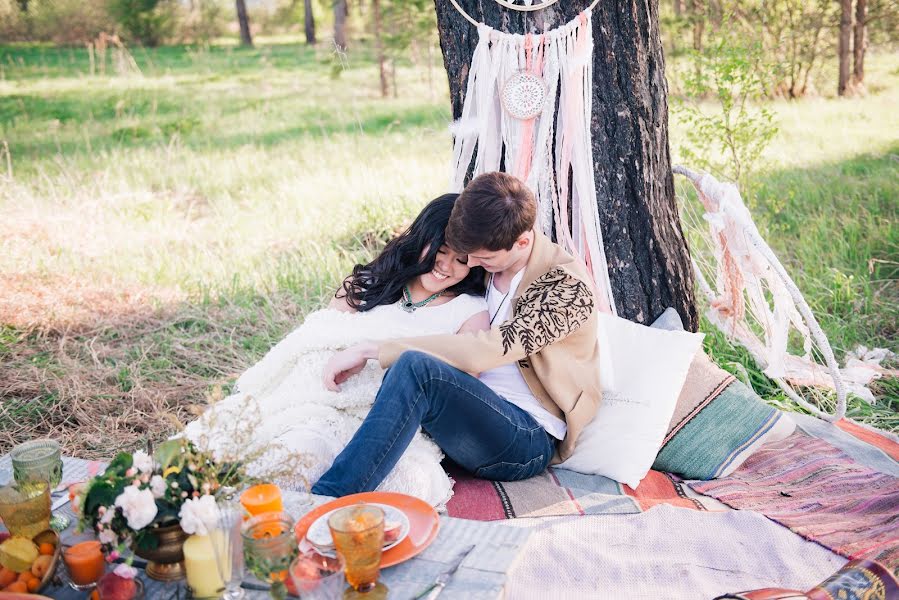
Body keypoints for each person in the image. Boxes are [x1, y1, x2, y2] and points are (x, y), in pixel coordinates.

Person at [183, 194, 489, 506]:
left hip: (392, 425)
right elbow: (318, 339)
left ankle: (297, 523)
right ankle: (209, 507)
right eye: (440, 250)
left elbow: (465, 374)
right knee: (298, 454)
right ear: (422, 237)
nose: (447, 265)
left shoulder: (468, 309)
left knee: (401, 485)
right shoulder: (371, 282)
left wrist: (377, 354)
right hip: (325, 404)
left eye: (462, 260)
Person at [313, 171, 602, 498]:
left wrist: (372, 349)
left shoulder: (566, 288)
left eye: (482, 258)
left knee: (414, 368)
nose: (473, 264)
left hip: (524, 438)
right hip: (466, 410)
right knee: (403, 375)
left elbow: (489, 349)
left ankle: (326, 501)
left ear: (523, 241)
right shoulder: (490, 253)